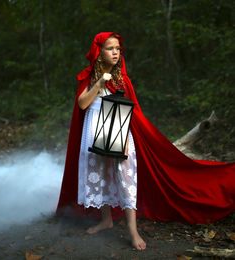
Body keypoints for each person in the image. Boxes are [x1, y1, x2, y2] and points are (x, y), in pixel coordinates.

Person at [57, 32, 235, 250]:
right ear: (99, 52)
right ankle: (106, 220)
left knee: (124, 174)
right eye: (110, 48)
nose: (116, 52)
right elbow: (83, 104)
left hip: (118, 130)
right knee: (101, 174)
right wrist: (98, 83)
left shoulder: (122, 78)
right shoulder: (87, 76)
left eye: (118, 49)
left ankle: (133, 230)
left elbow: (133, 112)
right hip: (94, 129)